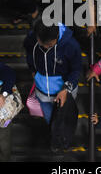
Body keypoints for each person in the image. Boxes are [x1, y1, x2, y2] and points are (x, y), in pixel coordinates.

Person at [23, 18, 82, 151]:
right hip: (42, 92)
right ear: (37, 36)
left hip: (65, 92)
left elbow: (76, 69)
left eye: (50, 45)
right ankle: (55, 138)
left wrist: (66, 89)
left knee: (64, 119)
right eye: (42, 43)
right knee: (51, 119)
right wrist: (33, 70)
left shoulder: (71, 45)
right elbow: (29, 55)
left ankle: (64, 140)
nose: (45, 47)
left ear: (57, 37)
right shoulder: (30, 40)